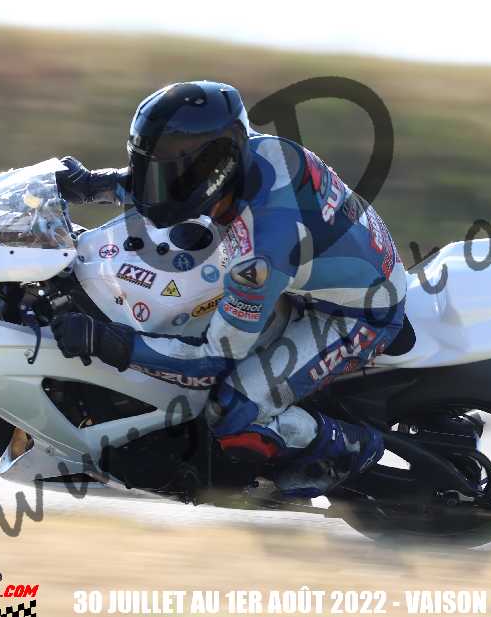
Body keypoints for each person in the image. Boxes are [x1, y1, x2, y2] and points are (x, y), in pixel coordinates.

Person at [50, 80, 408, 498]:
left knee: (234, 410)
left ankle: (352, 447)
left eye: (170, 171)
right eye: (149, 165)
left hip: (357, 313)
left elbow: (209, 362)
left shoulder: (261, 255)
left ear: (215, 167)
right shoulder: (254, 155)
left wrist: (108, 342)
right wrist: (89, 184)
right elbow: (166, 187)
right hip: (314, 275)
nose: (156, 180)